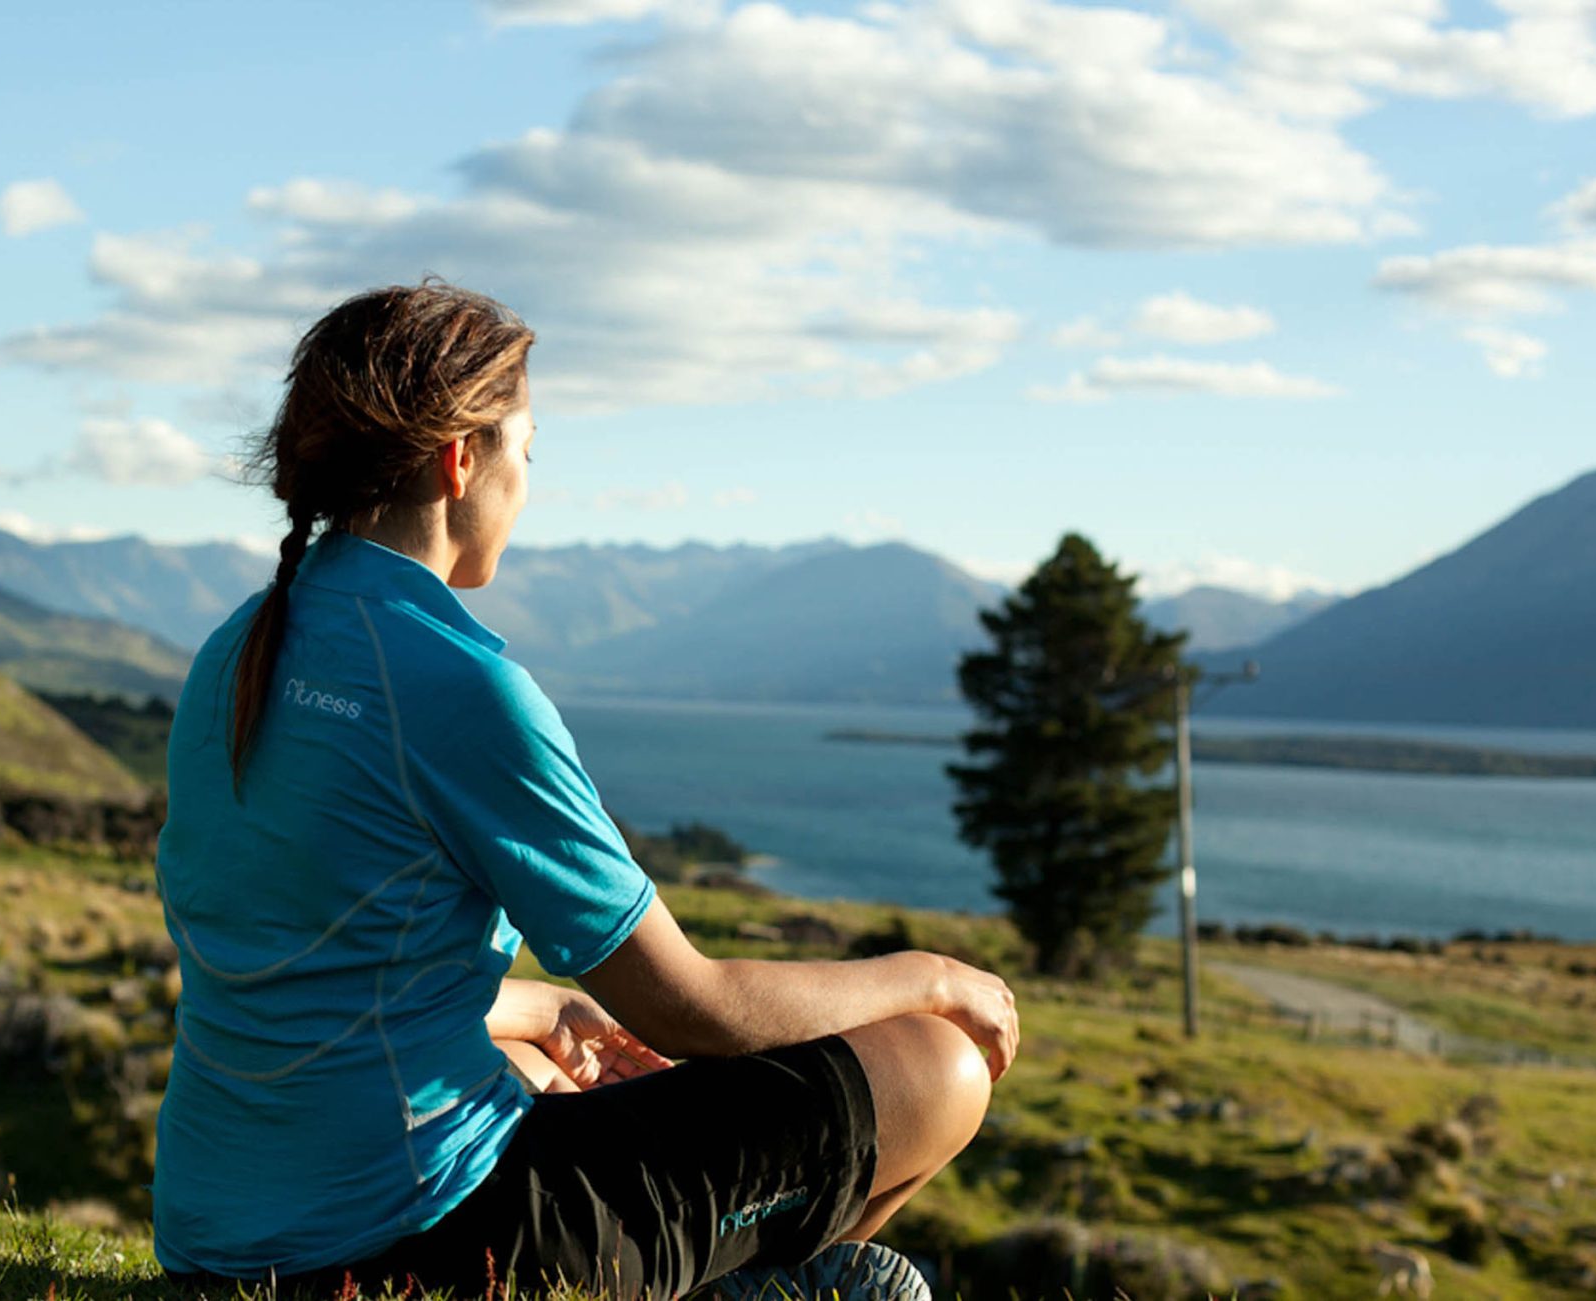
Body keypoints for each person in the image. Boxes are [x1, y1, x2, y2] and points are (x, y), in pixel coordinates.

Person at [153, 280, 1018, 1300]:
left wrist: (543, 1004)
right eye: (528, 447)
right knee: (937, 1065)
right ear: (460, 456)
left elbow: (304, 981)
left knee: (549, 1063)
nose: (526, 481)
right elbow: (695, 1007)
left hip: (218, 1240)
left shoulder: (237, 650)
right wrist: (929, 977)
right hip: (403, 1248)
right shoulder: (455, 684)